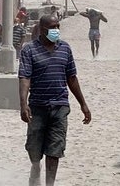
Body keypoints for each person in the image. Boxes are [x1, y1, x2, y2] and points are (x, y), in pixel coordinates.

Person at [19, 15, 91, 186]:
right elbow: (24, 78)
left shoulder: (65, 48)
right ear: (43, 30)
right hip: (37, 106)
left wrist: (83, 104)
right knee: (34, 148)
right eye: (53, 27)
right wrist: (23, 104)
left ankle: (49, 183)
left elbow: (71, 78)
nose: (56, 30)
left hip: (60, 106)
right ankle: (35, 168)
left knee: (55, 149)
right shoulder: (29, 50)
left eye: (58, 26)